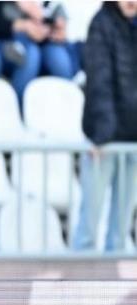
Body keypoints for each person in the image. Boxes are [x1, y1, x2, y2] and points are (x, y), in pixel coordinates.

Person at [72, 1, 137, 252]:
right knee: (89, 224)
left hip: (132, 139)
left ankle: (111, 277)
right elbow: (99, 83)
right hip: (105, 141)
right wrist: (101, 136)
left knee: (120, 230)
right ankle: (80, 275)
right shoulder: (101, 24)